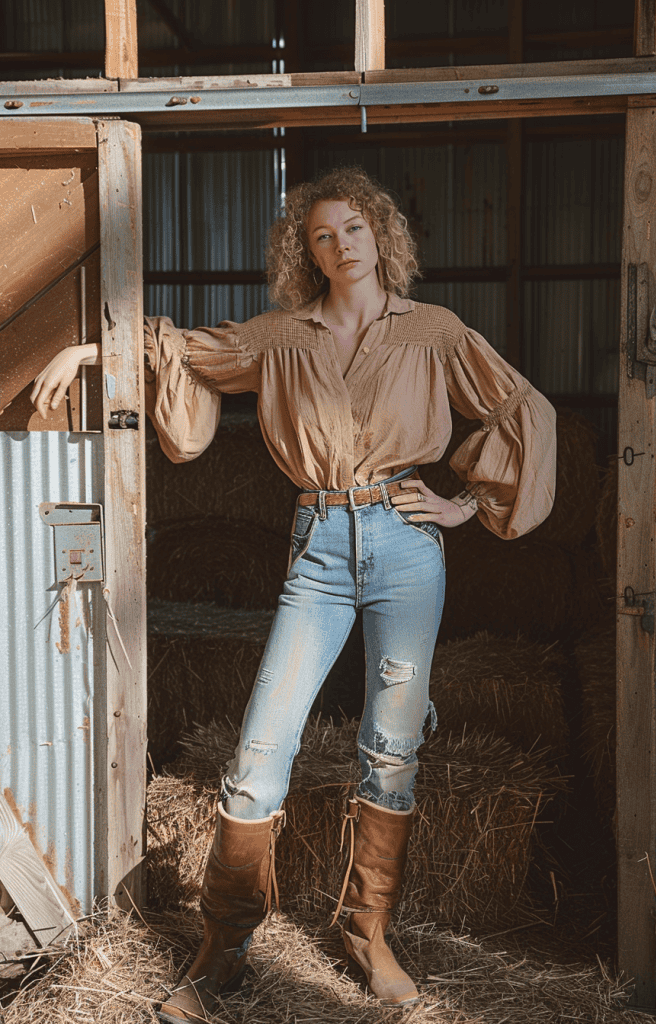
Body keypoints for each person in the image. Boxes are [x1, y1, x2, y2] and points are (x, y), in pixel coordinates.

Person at [31, 166, 556, 1022]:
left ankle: (366, 931)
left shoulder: (434, 331)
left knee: (392, 748)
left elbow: (519, 406)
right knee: (258, 751)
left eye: (352, 228)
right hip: (317, 545)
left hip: (406, 546)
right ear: (304, 252)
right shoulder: (280, 336)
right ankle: (224, 945)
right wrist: (90, 349)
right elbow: (182, 351)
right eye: (321, 235)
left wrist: (464, 503)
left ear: (380, 234)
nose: (340, 245)